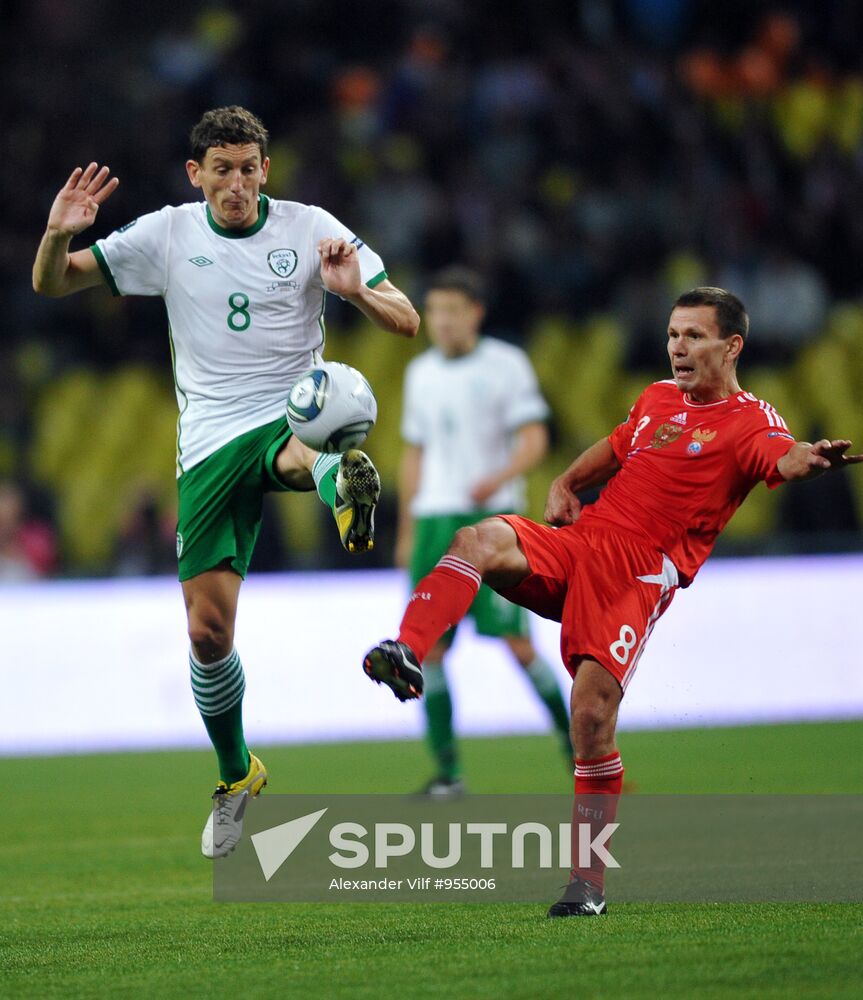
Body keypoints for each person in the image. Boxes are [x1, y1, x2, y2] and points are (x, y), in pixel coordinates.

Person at [363, 286, 862, 917]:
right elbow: (619, 444)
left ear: (732, 345)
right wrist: (569, 482)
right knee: (478, 538)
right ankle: (407, 649)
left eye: (694, 336)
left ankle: (587, 887)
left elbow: (779, 459)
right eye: (674, 334)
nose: (678, 347)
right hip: (585, 542)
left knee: (591, 719)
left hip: (637, 578)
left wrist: (808, 459)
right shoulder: (657, 398)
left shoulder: (751, 421)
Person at [33, 106, 419, 858]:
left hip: (291, 413)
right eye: (221, 171)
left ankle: (344, 488)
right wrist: (57, 233)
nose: (236, 184)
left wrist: (353, 290)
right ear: (196, 174)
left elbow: (404, 318)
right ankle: (238, 775)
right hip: (209, 440)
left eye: (248, 169)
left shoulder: (310, 227)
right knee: (208, 634)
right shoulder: (169, 233)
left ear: (264, 170)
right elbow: (55, 285)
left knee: (321, 422)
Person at [397, 266, 572, 797]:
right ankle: (448, 774)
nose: (442, 322)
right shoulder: (420, 373)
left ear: (475, 313)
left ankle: (577, 752)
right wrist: (407, 526)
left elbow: (535, 438)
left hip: (492, 524)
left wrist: (498, 478)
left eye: (453, 311)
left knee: (518, 645)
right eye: (435, 312)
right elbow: (415, 452)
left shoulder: (506, 364)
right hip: (433, 521)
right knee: (426, 653)